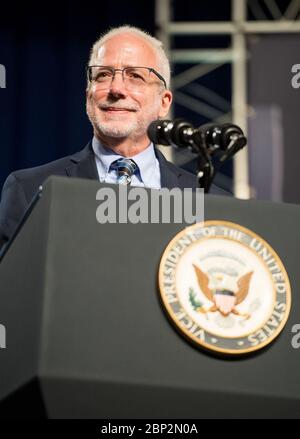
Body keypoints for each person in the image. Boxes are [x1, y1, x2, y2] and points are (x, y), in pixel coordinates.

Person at [0, 25, 227, 249]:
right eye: (103, 75)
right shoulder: (30, 189)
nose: (116, 88)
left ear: (164, 102)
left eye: (135, 76)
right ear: (88, 95)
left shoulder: (212, 201)